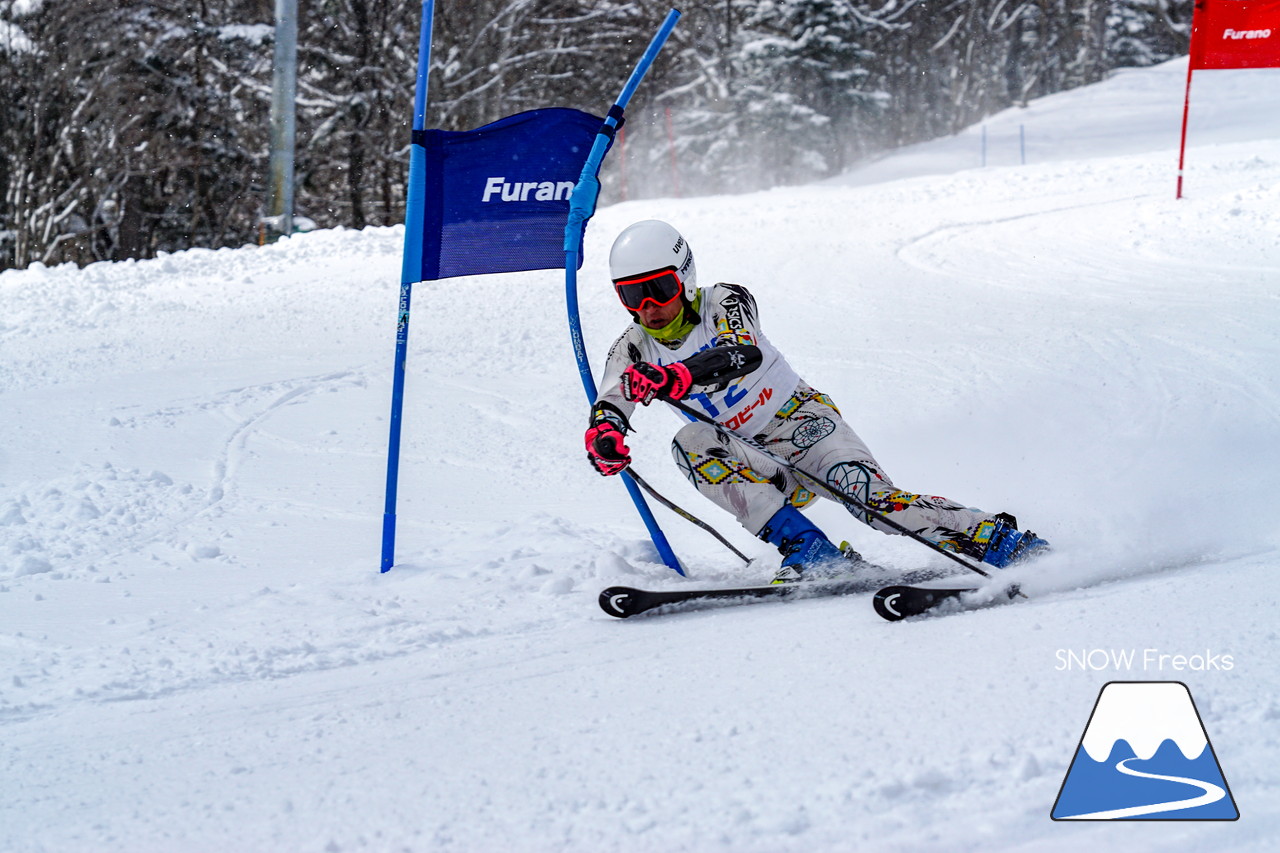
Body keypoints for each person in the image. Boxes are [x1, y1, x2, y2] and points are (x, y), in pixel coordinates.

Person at [584, 220, 1048, 582]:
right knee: (689, 442)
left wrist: (678, 375)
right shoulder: (631, 349)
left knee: (877, 507)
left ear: (684, 278)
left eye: (658, 289)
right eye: (631, 295)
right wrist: (604, 437)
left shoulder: (724, 300)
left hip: (804, 428)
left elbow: (742, 353)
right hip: (753, 461)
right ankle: (811, 551)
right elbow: (610, 403)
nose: (648, 307)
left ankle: (999, 539)